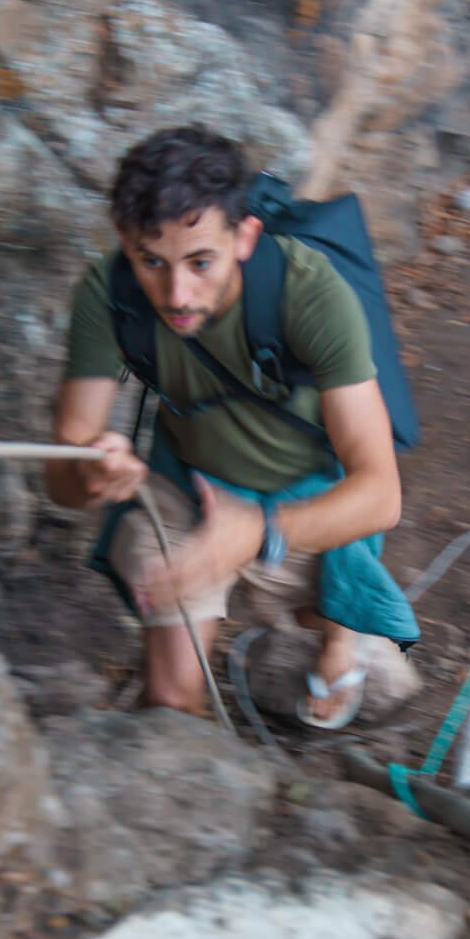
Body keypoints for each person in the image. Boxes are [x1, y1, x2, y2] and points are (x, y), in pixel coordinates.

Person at [46, 125, 418, 727]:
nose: (176, 294)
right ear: (124, 239)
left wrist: (257, 532)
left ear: (245, 236)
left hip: (304, 494)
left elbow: (380, 494)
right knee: (168, 708)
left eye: (201, 262)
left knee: (332, 611)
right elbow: (61, 483)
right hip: (188, 488)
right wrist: (91, 470)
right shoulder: (107, 296)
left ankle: (337, 640)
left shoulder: (309, 293)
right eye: (151, 262)